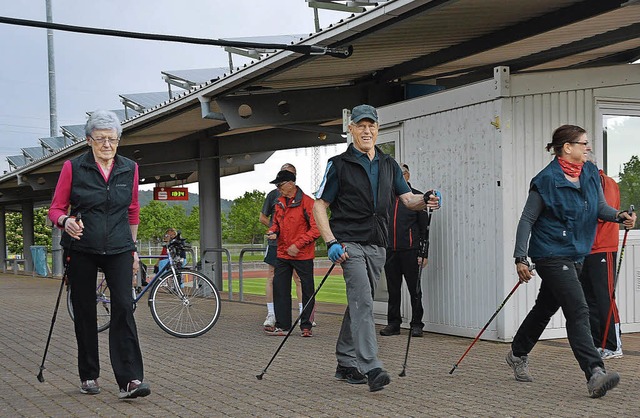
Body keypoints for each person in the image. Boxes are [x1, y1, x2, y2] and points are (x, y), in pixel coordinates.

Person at [313, 104, 441, 392]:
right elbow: (319, 205)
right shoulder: (339, 164)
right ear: (351, 129)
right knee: (364, 302)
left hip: (378, 244)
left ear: (378, 129)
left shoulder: (388, 164)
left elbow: (408, 200)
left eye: (371, 125)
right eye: (361, 125)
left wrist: (427, 198)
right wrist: (331, 241)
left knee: (361, 301)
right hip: (348, 242)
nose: (366, 130)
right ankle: (371, 366)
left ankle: (345, 362)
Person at [508, 124, 636, 398]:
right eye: (584, 143)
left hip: (577, 252)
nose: (588, 148)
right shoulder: (546, 180)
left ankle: (517, 353)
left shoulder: (589, 172)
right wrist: (521, 257)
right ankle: (595, 373)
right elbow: (527, 219)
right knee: (578, 309)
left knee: (544, 308)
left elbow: (599, 207)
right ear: (568, 148)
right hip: (550, 254)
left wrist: (619, 215)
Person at [48, 110, 151, 399]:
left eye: (112, 139)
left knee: (123, 306)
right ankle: (89, 374)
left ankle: (129, 379)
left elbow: (132, 209)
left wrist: (133, 250)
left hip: (119, 247)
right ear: (89, 140)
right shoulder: (73, 167)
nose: (107, 144)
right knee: (84, 311)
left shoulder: (129, 168)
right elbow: (55, 209)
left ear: (119, 140)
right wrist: (65, 222)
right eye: (101, 138)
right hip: (82, 248)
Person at [579, 153, 623, 359]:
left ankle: (613, 345)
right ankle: (599, 343)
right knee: (590, 297)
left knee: (605, 296)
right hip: (587, 248)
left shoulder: (606, 183)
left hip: (603, 247)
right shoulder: (587, 182)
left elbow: (604, 211)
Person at [266, 169, 320, 337]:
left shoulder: (308, 202)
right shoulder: (279, 202)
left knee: (307, 289)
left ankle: (306, 326)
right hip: (282, 253)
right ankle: (282, 326)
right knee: (280, 288)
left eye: (280, 185)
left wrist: (297, 245)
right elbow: (276, 223)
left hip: (303, 255)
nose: (277, 188)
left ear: (291, 184)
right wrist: (273, 231)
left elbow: (316, 229)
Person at [379, 163, 429, 338]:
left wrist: (424, 254)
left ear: (406, 176)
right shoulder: (387, 198)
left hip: (411, 251)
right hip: (390, 251)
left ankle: (417, 324)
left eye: (399, 176)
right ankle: (393, 324)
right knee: (393, 290)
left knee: (414, 290)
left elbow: (425, 229)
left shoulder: (417, 198)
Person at [259, 163, 305, 331]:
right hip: (276, 244)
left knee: (298, 278)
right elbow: (262, 217)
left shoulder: (301, 197)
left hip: (294, 244)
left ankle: (303, 315)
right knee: (272, 276)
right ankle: (271, 314)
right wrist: (277, 229)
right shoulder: (273, 195)